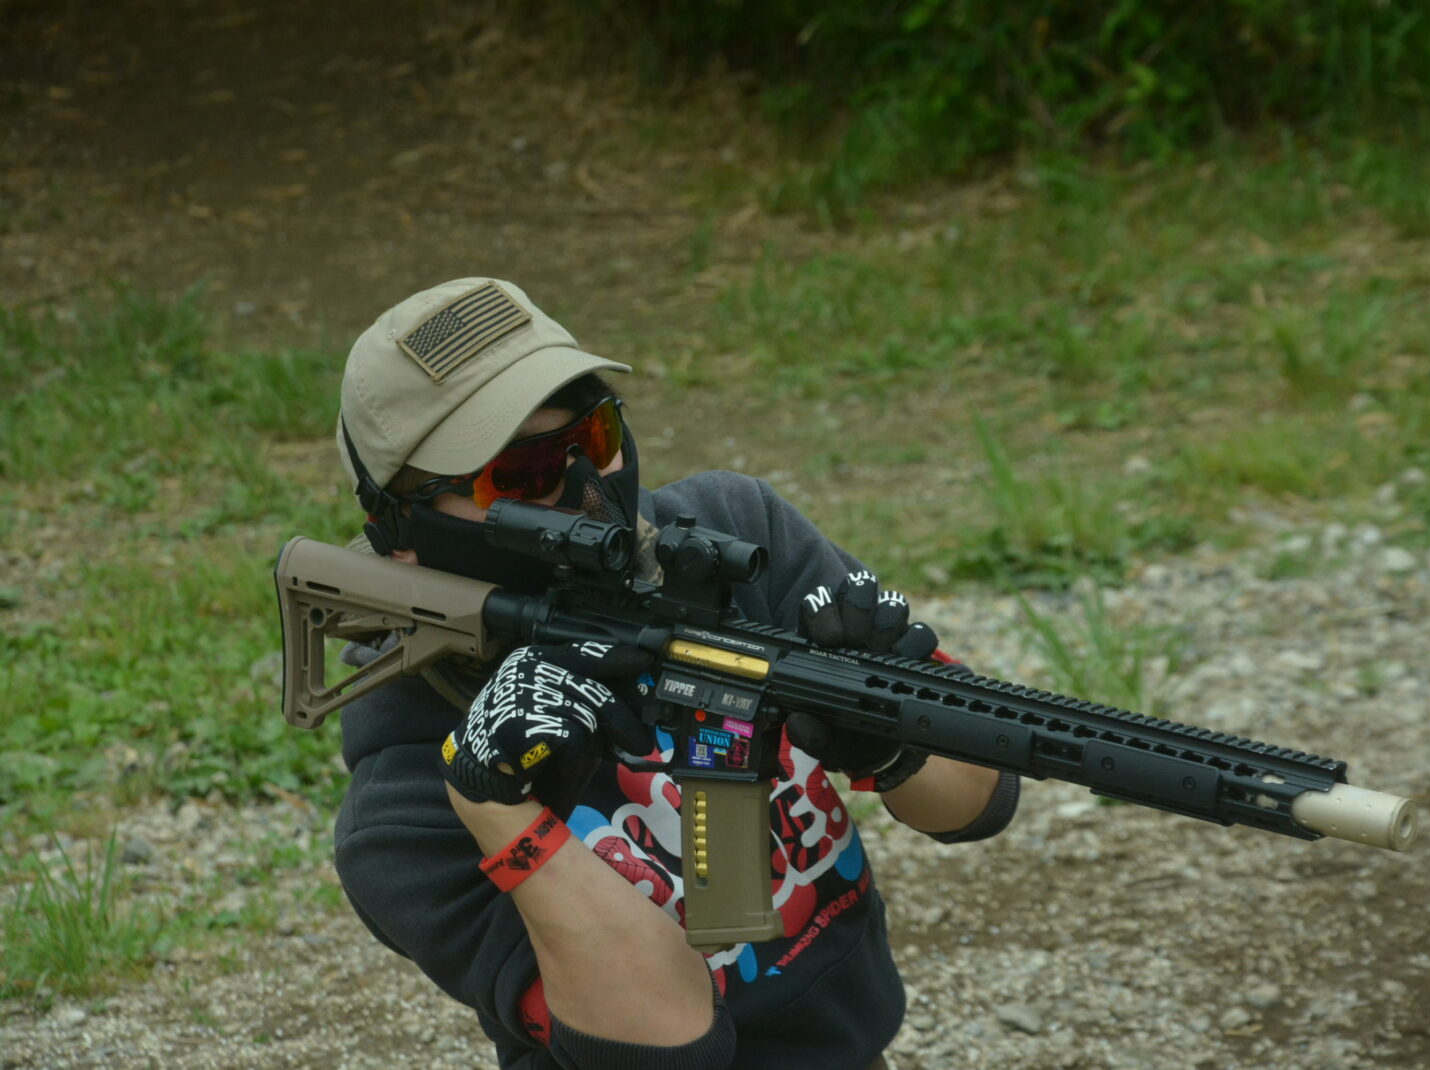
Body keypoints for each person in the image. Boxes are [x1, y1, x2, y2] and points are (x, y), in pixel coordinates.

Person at [330, 277, 1021, 1070]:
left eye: (594, 438)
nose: (587, 492)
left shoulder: (731, 537)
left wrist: (890, 739)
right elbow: (665, 1043)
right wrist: (495, 807)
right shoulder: (404, 804)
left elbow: (980, 796)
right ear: (401, 532)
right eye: (520, 475)